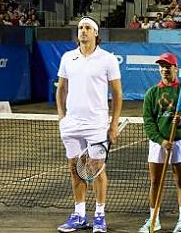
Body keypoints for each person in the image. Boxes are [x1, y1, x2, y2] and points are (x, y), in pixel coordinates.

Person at [56, 17, 123, 233]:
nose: (83, 31)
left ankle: (100, 216)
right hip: (71, 125)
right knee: (75, 169)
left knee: (96, 170)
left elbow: (117, 93)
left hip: (96, 125)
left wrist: (113, 125)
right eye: (80, 28)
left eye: (87, 28)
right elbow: (61, 89)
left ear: (96, 33)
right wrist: (61, 115)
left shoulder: (108, 59)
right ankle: (79, 215)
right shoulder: (68, 58)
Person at [140, 52, 181, 233]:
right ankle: (154, 219)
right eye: (161, 66)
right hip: (158, 144)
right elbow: (148, 121)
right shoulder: (152, 93)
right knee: (155, 182)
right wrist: (161, 141)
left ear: (175, 68)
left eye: (167, 66)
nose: (164, 69)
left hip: (178, 142)